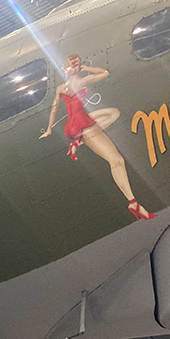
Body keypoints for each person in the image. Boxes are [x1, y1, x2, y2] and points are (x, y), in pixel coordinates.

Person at [40, 53, 156, 221]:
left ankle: (77, 141)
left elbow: (53, 109)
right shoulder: (81, 81)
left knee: (112, 113)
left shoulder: (60, 88)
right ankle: (133, 202)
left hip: (72, 125)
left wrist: (49, 129)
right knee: (117, 161)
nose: (65, 70)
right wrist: (87, 69)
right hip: (83, 125)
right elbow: (104, 73)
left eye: (66, 67)